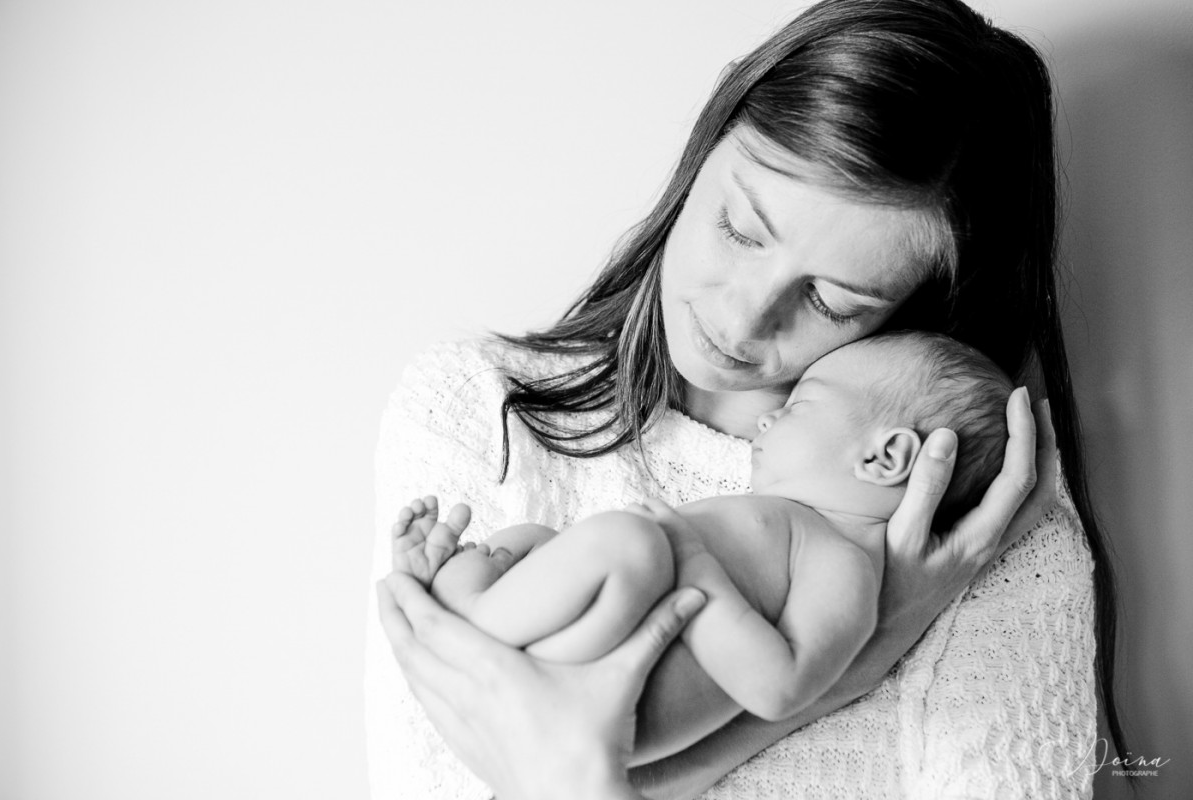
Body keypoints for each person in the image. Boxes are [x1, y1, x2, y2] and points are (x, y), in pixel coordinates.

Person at [366, 0, 1126, 797]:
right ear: (707, 143)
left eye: (831, 300)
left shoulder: (986, 538)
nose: (741, 318)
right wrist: (856, 662)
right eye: (740, 229)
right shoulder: (473, 410)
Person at [388, 332, 1014, 764]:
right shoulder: (789, 522)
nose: (767, 418)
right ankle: (457, 592)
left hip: (605, 703)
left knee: (628, 542)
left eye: (800, 405)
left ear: (884, 457)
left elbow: (779, 689)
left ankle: (460, 621)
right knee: (534, 542)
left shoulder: (844, 563)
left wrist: (698, 568)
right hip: (572, 665)